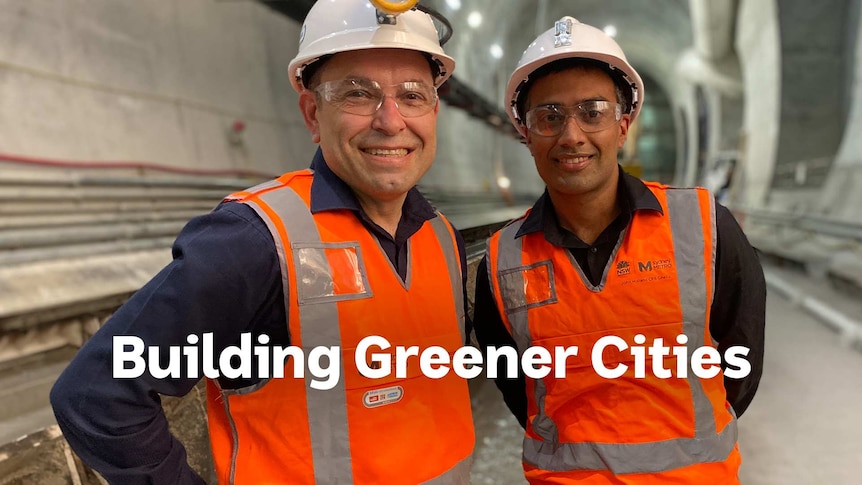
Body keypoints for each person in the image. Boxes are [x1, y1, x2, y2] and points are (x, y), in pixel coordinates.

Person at [50, 1, 475, 483]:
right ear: (314, 113)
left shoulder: (441, 238)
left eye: (414, 96)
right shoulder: (253, 242)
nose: (391, 120)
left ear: (435, 112)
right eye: (359, 94)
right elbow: (97, 394)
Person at [473, 16, 765, 484]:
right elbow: (515, 386)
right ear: (525, 135)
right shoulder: (503, 259)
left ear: (623, 124)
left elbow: (742, 366)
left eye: (593, 112)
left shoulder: (705, 228)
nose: (571, 136)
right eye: (549, 116)